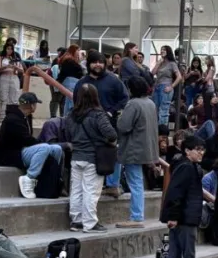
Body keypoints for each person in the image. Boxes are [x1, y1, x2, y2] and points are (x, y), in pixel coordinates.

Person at [160, 135, 207, 258]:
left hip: (183, 217)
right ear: (187, 151)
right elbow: (175, 193)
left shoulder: (190, 166)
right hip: (184, 218)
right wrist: (173, 216)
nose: (201, 152)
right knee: (186, 257)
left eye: (202, 149)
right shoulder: (186, 167)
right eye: (197, 149)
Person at [72, 50, 128, 195]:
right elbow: (75, 102)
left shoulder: (113, 80)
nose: (98, 65)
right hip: (87, 127)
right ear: (89, 63)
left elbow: (124, 99)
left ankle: (112, 184)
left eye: (100, 62)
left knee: (111, 153)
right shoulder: (81, 83)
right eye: (94, 62)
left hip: (109, 124)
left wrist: (111, 111)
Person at [64, 83, 117, 233]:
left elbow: (68, 135)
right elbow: (111, 134)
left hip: (76, 157)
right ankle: (90, 223)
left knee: (76, 190)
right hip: (93, 158)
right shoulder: (98, 115)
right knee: (91, 191)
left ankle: (76, 221)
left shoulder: (71, 115)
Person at [0, 92, 64, 199]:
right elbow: (26, 140)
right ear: (31, 105)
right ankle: (29, 178)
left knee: (57, 149)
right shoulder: (12, 119)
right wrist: (42, 144)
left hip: (24, 150)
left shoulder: (26, 117)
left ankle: (56, 180)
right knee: (45, 148)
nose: (35, 106)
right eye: (35, 104)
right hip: (11, 155)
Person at [115, 76, 158, 228]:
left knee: (135, 182)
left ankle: (136, 216)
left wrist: (119, 117)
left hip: (133, 147)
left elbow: (123, 126)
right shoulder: (151, 103)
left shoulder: (133, 104)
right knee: (137, 181)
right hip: (147, 147)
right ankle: (113, 184)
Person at [151, 44, 183, 127]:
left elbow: (179, 77)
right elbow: (152, 73)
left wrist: (171, 87)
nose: (162, 51)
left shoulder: (172, 63)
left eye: (164, 50)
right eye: (161, 49)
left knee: (164, 110)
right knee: (155, 110)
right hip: (157, 87)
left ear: (168, 52)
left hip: (165, 87)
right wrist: (158, 63)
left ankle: (162, 131)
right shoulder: (160, 63)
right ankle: (155, 129)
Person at [0, 37, 24, 108]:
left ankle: (11, 116)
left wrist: (15, 67)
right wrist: (7, 66)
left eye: (11, 49)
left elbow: (22, 70)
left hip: (14, 77)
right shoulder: (1, 57)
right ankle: (2, 117)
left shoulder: (16, 57)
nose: (10, 50)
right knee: (3, 97)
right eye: (8, 48)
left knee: (14, 97)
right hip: (4, 77)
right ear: (5, 48)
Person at [56, 45, 84, 116]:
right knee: (72, 100)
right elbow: (77, 71)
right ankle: (70, 116)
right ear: (73, 50)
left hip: (70, 81)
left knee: (69, 100)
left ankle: (67, 116)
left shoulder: (68, 59)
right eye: (77, 50)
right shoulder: (69, 60)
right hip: (71, 82)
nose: (78, 52)